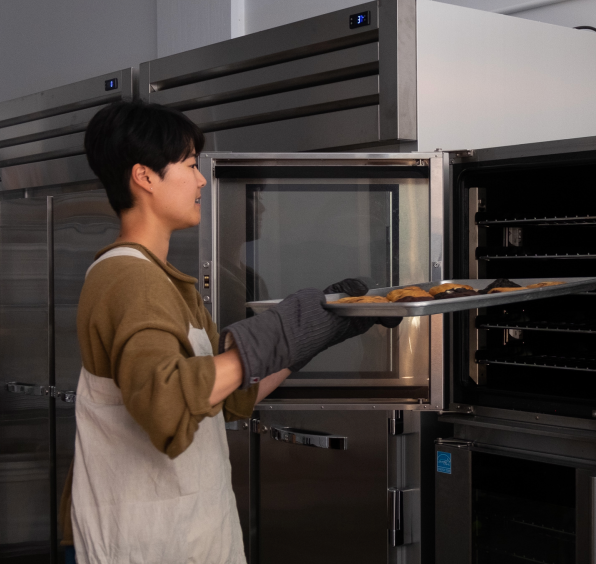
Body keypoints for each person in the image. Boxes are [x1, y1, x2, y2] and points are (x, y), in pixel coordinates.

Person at [59, 100, 394, 564]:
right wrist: (282, 328)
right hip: (144, 545)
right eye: (191, 165)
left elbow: (230, 398)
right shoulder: (128, 278)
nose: (201, 181)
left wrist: (331, 322)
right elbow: (168, 403)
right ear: (145, 177)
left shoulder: (162, 278)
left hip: (186, 536)